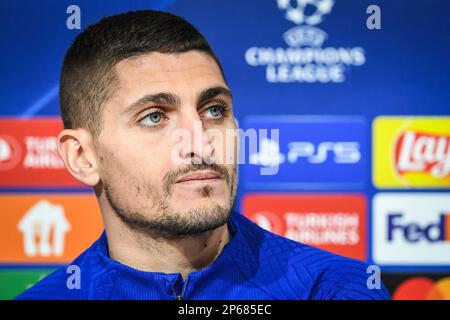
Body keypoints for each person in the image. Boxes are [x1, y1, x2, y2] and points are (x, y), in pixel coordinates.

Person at [16, 10, 390, 300]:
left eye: (214, 110)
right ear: (82, 157)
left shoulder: (334, 289)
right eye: (154, 117)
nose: (201, 142)